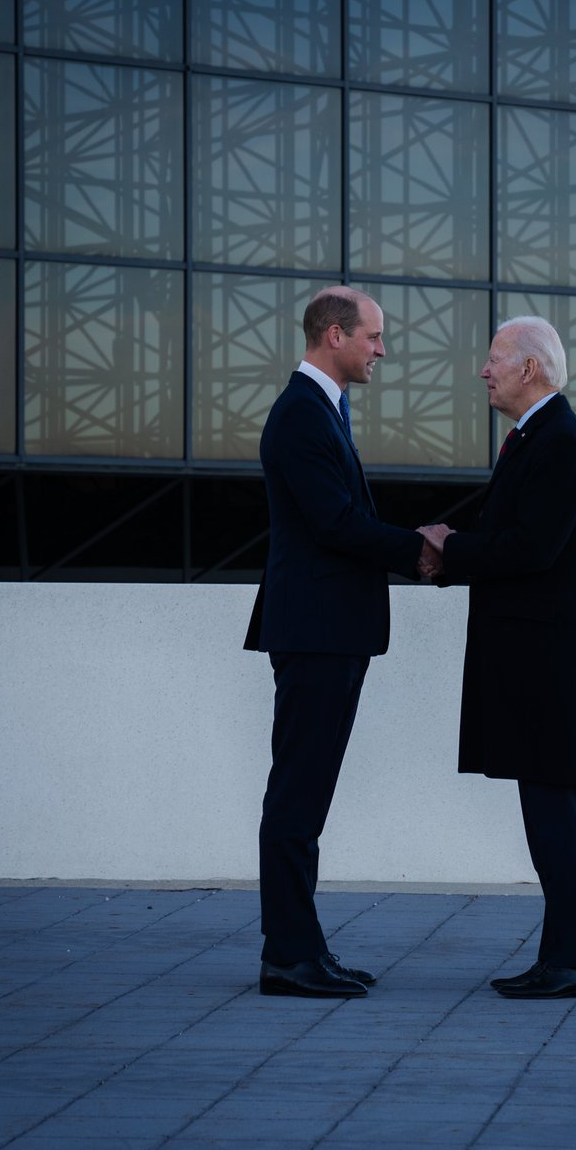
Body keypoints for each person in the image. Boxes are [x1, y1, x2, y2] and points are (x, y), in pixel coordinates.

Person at [244, 286, 440, 998]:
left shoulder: (322, 409)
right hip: (317, 632)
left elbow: (338, 520)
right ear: (334, 335)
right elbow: (334, 524)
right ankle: (288, 957)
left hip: (331, 630)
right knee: (297, 798)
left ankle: (300, 948)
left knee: (306, 796)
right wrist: (422, 550)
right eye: (374, 338)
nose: (382, 350)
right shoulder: (300, 414)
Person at [420, 316, 576, 1000]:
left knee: (552, 807)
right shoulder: (541, 439)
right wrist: (451, 551)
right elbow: (517, 540)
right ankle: (567, 955)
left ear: (530, 368)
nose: (484, 370)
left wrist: (450, 547)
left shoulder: (559, 443)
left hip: (546, 663)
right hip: (538, 659)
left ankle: (573, 961)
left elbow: (530, 550)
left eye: (495, 357)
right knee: (549, 806)